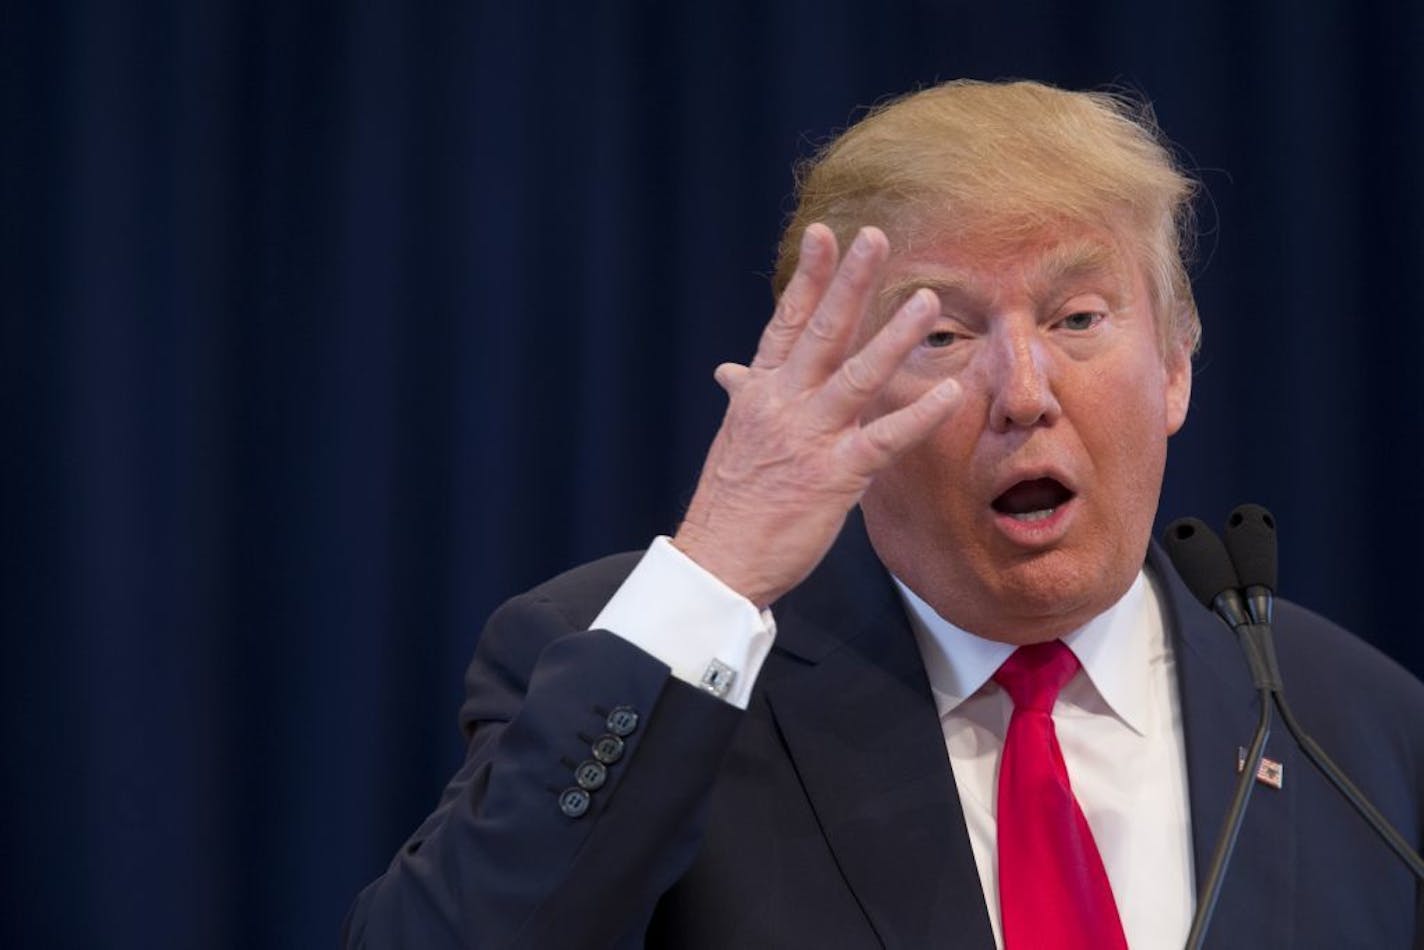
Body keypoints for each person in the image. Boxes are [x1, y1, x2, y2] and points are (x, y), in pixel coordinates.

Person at [344, 80, 1424, 949]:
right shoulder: (644, 668)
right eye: (940, 336)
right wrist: (712, 573)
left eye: (1076, 316)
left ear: (1175, 365)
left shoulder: (1358, 732)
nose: (1022, 389)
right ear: (842, 385)